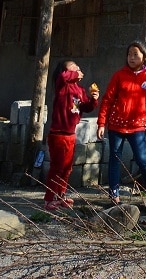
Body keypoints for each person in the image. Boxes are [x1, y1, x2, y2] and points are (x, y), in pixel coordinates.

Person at [97, 40, 146, 205]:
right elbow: (107, 100)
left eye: (135, 54)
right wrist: (101, 123)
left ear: (144, 57)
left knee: (143, 159)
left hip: (137, 127)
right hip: (116, 126)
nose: (131, 58)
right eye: (129, 54)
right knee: (115, 158)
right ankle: (114, 192)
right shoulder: (119, 76)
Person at [43, 60, 99, 211]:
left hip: (70, 135)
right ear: (65, 72)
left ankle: (61, 195)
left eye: (78, 67)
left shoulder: (80, 91)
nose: (77, 69)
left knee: (67, 168)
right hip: (58, 134)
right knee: (56, 167)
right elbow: (62, 77)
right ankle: (49, 199)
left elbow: (86, 107)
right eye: (72, 67)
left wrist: (93, 99)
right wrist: (72, 74)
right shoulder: (62, 86)